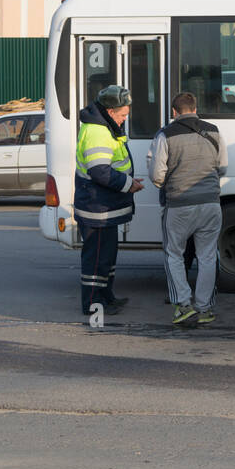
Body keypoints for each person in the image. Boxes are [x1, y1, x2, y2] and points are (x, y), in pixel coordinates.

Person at [149, 92, 227, 326]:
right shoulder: (213, 130)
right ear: (195, 108)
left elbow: (156, 174)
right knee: (207, 256)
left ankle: (183, 306)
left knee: (174, 254)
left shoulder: (165, 134)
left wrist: (168, 183)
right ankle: (204, 309)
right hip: (211, 203)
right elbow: (222, 168)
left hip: (179, 204)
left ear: (174, 112)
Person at [74, 85, 142, 316]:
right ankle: (93, 305)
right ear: (111, 111)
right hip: (97, 208)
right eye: (123, 115)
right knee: (96, 260)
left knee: (107, 258)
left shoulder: (104, 126)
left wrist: (127, 179)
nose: (125, 119)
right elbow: (100, 171)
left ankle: (106, 297)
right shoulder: (97, 131)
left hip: (104, 207)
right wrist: (127, 183)